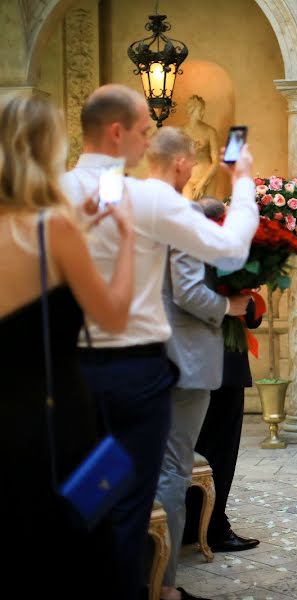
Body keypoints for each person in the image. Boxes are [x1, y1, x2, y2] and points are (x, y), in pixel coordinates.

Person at [62, 84, 259, 600]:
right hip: (134, 369)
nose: (149, 140)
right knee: (134, 498)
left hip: (70, 371)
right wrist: (242, 183)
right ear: (117, 132)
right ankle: (145, 589)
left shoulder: (56, 191)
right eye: (146, 130)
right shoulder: (142, 197)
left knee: (87, 484)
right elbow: (233, 247)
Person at [0, 93, 133, 597]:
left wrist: (81, 217)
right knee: (67, 558)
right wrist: (120, 241)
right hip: (54, 422)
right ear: (46, 150)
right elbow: (113, 315)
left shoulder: (55, 225)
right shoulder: (52, 228)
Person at [154, 134, 255, 600]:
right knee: (174, 469)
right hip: (186, 359)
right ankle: (164, 583)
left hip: (143, 356)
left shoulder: (138, 209)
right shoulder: (182, 222)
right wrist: (233, 305)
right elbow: (192, 294)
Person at [183, 198, 262, 553]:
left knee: (193, 449)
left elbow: (251, 314)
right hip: (224, 366)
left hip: (191, 365)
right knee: (220, 454)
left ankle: (189, 524)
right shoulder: (225, 256)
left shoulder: (178, 253)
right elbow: (250, 314)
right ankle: (214, 527)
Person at [181, 95, 219, 201]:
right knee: (187, 208)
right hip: (188, 178)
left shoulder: (210, 131)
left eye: (203, 110)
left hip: (207, 178)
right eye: (200, 110)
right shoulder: (180, 131)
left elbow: (216, 161)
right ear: (192, 110)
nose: (203, 113)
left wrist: (202, 182)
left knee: (207, 212)